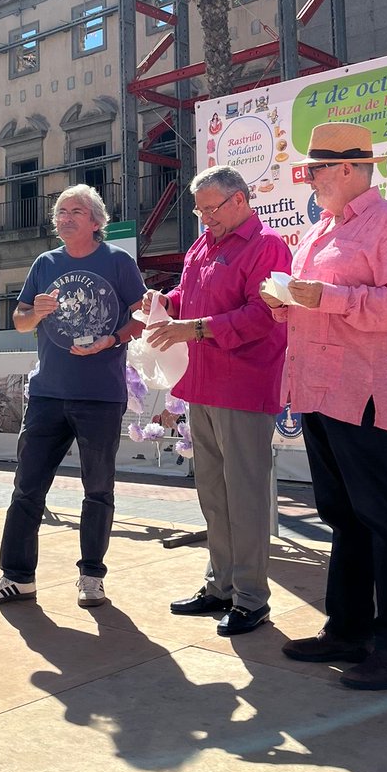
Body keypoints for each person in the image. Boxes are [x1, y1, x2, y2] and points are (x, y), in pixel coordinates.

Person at [261, 123, 387, 691]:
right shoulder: (319, 231)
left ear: (352, 169)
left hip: (359, 390)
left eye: (315, 170)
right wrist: (283, 301)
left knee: (382, 520)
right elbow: (313, 305)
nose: (307, 179)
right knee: (342, 516)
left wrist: (326, 297)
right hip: (315, 390)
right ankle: (348, 629)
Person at [0, 184, 145, 609]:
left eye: (76, 211)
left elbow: (143, 316)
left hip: (100, 396)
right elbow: (18, 320)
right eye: (61, 211)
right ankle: (17, 577)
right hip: (47, 393)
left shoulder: (118, 262)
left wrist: (112, 340)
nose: (65, 218)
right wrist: (37, 312)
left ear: (96, 221)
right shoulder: (44, 263)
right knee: (27, 488)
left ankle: (91, 577)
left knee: (98, 489)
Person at [145, 165, 291, 637]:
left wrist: (198, 328)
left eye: (212, 208)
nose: (205, 218)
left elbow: (263, 315)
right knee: (213, 492)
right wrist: (165, 302)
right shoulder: (203, 244)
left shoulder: (267, 245)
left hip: (244, 386)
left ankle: (251, 599)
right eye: (200, 210)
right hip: (203, 384)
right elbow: (193, 295)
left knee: (244, 496)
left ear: (240, 201)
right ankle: (221, 585)